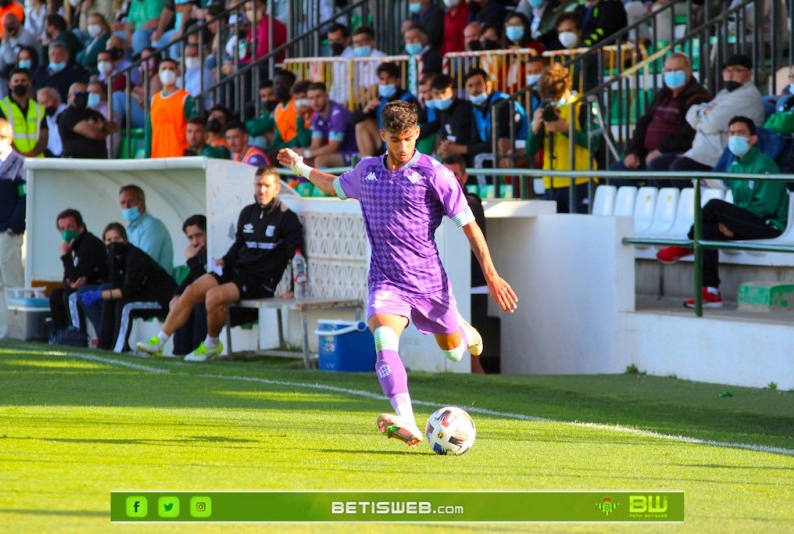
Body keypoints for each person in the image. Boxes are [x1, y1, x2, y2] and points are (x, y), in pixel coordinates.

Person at [277, 101, 518, 448]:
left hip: (429, 283)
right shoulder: (367, 172)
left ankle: (463, 331)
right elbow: (333, 185)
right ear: (383, 136)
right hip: (385, 281)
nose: (402, 147)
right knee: (383, 341)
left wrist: (492, 276)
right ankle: (406, 416)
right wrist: (300, 166)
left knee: (453, 352)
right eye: (394, 139)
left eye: (407, 138)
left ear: (417, 133)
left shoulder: (435, 174)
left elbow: (470, 227)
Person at [137, 166, 305, 361]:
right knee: (191, 290)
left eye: (267, 186)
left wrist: (294, 288)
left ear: (277, 189)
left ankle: (211, 344)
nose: (262, 190)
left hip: (259, 280)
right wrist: (225, 260)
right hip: (237, 270)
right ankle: (159, 341)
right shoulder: (248, 212)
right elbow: (239, 245)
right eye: (258, 185)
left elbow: (297, 256)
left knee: (213, 296)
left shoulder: (287, 218)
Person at [656, 116, 788, 308]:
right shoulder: (734, 166)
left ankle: (688, 244)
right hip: (749, 223)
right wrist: (730, 224)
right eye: (732, 133)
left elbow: (765, 208)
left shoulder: (764, 165)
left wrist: (734, 224)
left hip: (770, 225)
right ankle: (711, 291)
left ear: (753, 139)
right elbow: (740, 205)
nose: (735, 137)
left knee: (714, 205)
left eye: (741, 133)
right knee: (707, 231)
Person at [650, 54, 765, 188]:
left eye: (736, 70)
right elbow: (692, 113)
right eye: (727, 71)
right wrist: (703, 114)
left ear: (749, 74)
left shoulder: (748, 96)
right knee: (658, 165)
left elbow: (712, 124)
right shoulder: (725, 93)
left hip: (718, 156)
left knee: (680, 169)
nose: (730, 74)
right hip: (699, 152)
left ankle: (696, 208)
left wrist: (703, 115)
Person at [609, 53, 711, 184]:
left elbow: (689, 133)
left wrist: (661, 149)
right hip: (647, 153)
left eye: (677, 70)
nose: (672, 74)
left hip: (675, 153)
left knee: (657, 165)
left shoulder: (698, 98)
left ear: (689, 71)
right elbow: (643, 124)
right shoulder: (662, 95)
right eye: (668, 70)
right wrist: (632, 152)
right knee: (616, 171)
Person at [79, 222, 177, 352]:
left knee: (125, 305)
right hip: (143, 294)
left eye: (117, 239)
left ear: (125, 240)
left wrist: (100, 295)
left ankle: (120, 347)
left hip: (161, 297)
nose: (113, 243)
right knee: (111, 302)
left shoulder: (135, 256)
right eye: (109, 240)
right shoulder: (113, 258)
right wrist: (106, 296)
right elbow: (116, 285)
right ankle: (104, 346)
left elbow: (129, 289)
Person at [526, 62, 598, 213]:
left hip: (581, 180)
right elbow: (530, 149)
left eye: (555, 96)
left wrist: (566, 130)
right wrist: (535, 129)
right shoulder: (544, 107)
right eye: (549, 98)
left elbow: (594, 143)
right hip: (552, 181)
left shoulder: (583, 104)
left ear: (565, 86)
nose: (553, 101)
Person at [442, 153, 487, 374]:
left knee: (473, 353)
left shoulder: (472, 202)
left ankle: (484, 394)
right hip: (452, 287)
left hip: (475, 287)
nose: (450, 179)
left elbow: (457, 213)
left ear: (465, 177)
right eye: (445, 174)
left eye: (455, 174)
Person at [49, 208, 108, 333]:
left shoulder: (90, 244)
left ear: (81, 227)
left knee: (71, 295)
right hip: (84, 285)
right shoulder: (74, 245)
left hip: (99, 285)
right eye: (62, 229)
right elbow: (68, 277)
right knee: (56, 294)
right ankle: (59, 334)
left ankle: (77, 335)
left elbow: (77, 277)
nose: (66, 232)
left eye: (70, 227)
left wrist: (65, 256)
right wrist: (68, 282)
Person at [0, 119, 25, 340]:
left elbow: (25, 197)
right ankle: (3, 332)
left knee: (13, 283)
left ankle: (18, 331)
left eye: (1, 136)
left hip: (7, 232)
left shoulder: (20, 164)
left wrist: (13, 226)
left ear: (10, 138)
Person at [353, 62, 418, 158]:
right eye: (382, 79)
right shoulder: (380, 100)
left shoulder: (408, 99)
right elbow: (353, 119)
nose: (385, 82)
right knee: (361, 125)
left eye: (389, 78)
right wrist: (365, 110)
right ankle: (367, 163)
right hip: (383, 142)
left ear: (398, 80)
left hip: (401, 142)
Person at [170, 214, 208, 356]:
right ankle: (180, 354)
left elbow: (206, 281)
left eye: (198, 235)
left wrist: (192, 260)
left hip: (224, 298)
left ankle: (198, 352)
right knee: (182, 301)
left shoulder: (217, 250)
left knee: (198, 304)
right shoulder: (199, 255)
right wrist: (177, 295)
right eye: (190, 238)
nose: (194, 242)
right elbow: (191, 279)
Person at [295, 82, 357, 168]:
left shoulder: (337, 114)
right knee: (301, 161)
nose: (315, 102)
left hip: (354, 153)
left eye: (318, 97)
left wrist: (307, 153)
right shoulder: (316, 116)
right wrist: (299, 152)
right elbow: (315, 145)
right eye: (311, 98)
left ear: (327, 97)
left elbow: (332, 147)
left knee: (320, 161)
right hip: (338, 154)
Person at [118, 184, 174, 275]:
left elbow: (144, 262)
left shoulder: (152, 225)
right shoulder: (130, 229)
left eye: (131, 201)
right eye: (122, 203)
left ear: (142, 203)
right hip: (138, 280)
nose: (127, 206)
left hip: (156, 284)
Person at [0, 67, 48, 158]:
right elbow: (1, 135)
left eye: (23, 81)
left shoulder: (39, 108)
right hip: (11, 160)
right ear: (10, 84)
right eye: (16, 81)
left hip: (36, 161)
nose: (20, 84)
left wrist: (32, 154)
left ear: (29, 83)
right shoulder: (1, 106)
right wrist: (19, 155)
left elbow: (44, 136)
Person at [430, 73, 481, 167]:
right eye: (436, 93)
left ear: (453, 90)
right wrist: (442, 148)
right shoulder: (442, 111)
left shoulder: (463, 108)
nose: (440, 97)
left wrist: (447, 147)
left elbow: (463, 139)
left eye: (443, 92)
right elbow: (444, 137)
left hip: (469, 156)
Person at [57, 82, 118, 159]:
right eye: (78, 93)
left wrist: (101, 125)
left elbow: (114, 128)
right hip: (76, 163)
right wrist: (103, 132)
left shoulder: (93, 113)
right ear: (69, 96)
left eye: (86, 94)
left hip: (98, 162)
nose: (82, 97)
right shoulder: (68, 115)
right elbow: (92, 134)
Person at [150, 58, 196, 158]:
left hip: (179, 157)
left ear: (177, 72)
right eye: (164, 69)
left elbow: (195, 129)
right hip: (156, 157)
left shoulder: (186, 99)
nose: (167, 72)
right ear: (158, 72)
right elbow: (149, 133)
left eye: (171, 69)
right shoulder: (154, 100)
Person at [0, 13, 39, 101]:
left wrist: (5, 42)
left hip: (31, 66)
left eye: (11, 24)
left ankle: (3, 99)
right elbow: (1, 60)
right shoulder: (10, 36)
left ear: (18, 22)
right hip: (14, 66)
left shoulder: (26, 37)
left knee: (2, 77)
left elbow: (11, 60)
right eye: (6, 26)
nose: (9, 27)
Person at [36, 87, 65, 157]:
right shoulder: (44, 118)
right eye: (42, 103)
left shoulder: (66, 112)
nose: (45, 106)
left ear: (55, 100)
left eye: (47, 101)